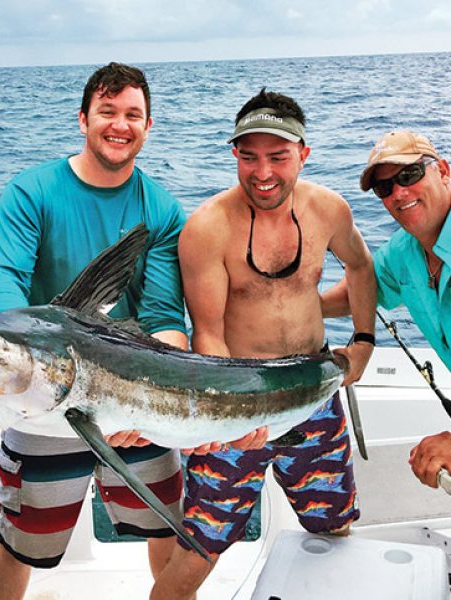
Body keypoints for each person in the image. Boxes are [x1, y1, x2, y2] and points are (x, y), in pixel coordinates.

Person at [0, 62, 265, 599]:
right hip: (41, 398)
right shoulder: (31, 192)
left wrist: (141, 404)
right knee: (22, 540)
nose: (120, 124)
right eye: (107, 112)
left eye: (133, 114)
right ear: (83, 118)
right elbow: (5, 290)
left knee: (164, 522)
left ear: (148, 126)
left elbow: (161, 317)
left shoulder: (160, 208)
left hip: (132, 400)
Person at [150, 88, 377, 599]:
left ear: (303, 153)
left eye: (277, 156)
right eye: (248, 156)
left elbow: (361, 266)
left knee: (333, 524)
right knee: (201, 545)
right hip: (238, 392)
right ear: (234, 155)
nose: (263, 172)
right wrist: (236, 415)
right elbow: (207, 332)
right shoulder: (207, 227)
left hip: (315, 388)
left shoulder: (329, 210)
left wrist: (363, 340)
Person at [321, 129, 451, 490]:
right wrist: (299, 307)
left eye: (409, 175)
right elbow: (362, 291)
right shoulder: (404, 251)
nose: (399, 193)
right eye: (385, 187)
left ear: (443, 170)